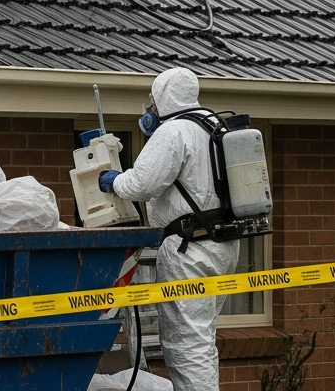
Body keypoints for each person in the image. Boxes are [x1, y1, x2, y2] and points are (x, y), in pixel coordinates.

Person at [99, 68, 240, 391]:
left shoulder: (174, 131)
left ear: (163, 96)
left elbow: (141, 184)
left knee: (187, 344)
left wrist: (112, 181)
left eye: (152, 101)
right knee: (202, 337)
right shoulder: (213, 124)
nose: (149, 111)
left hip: (191, 249)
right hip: (222, 244)